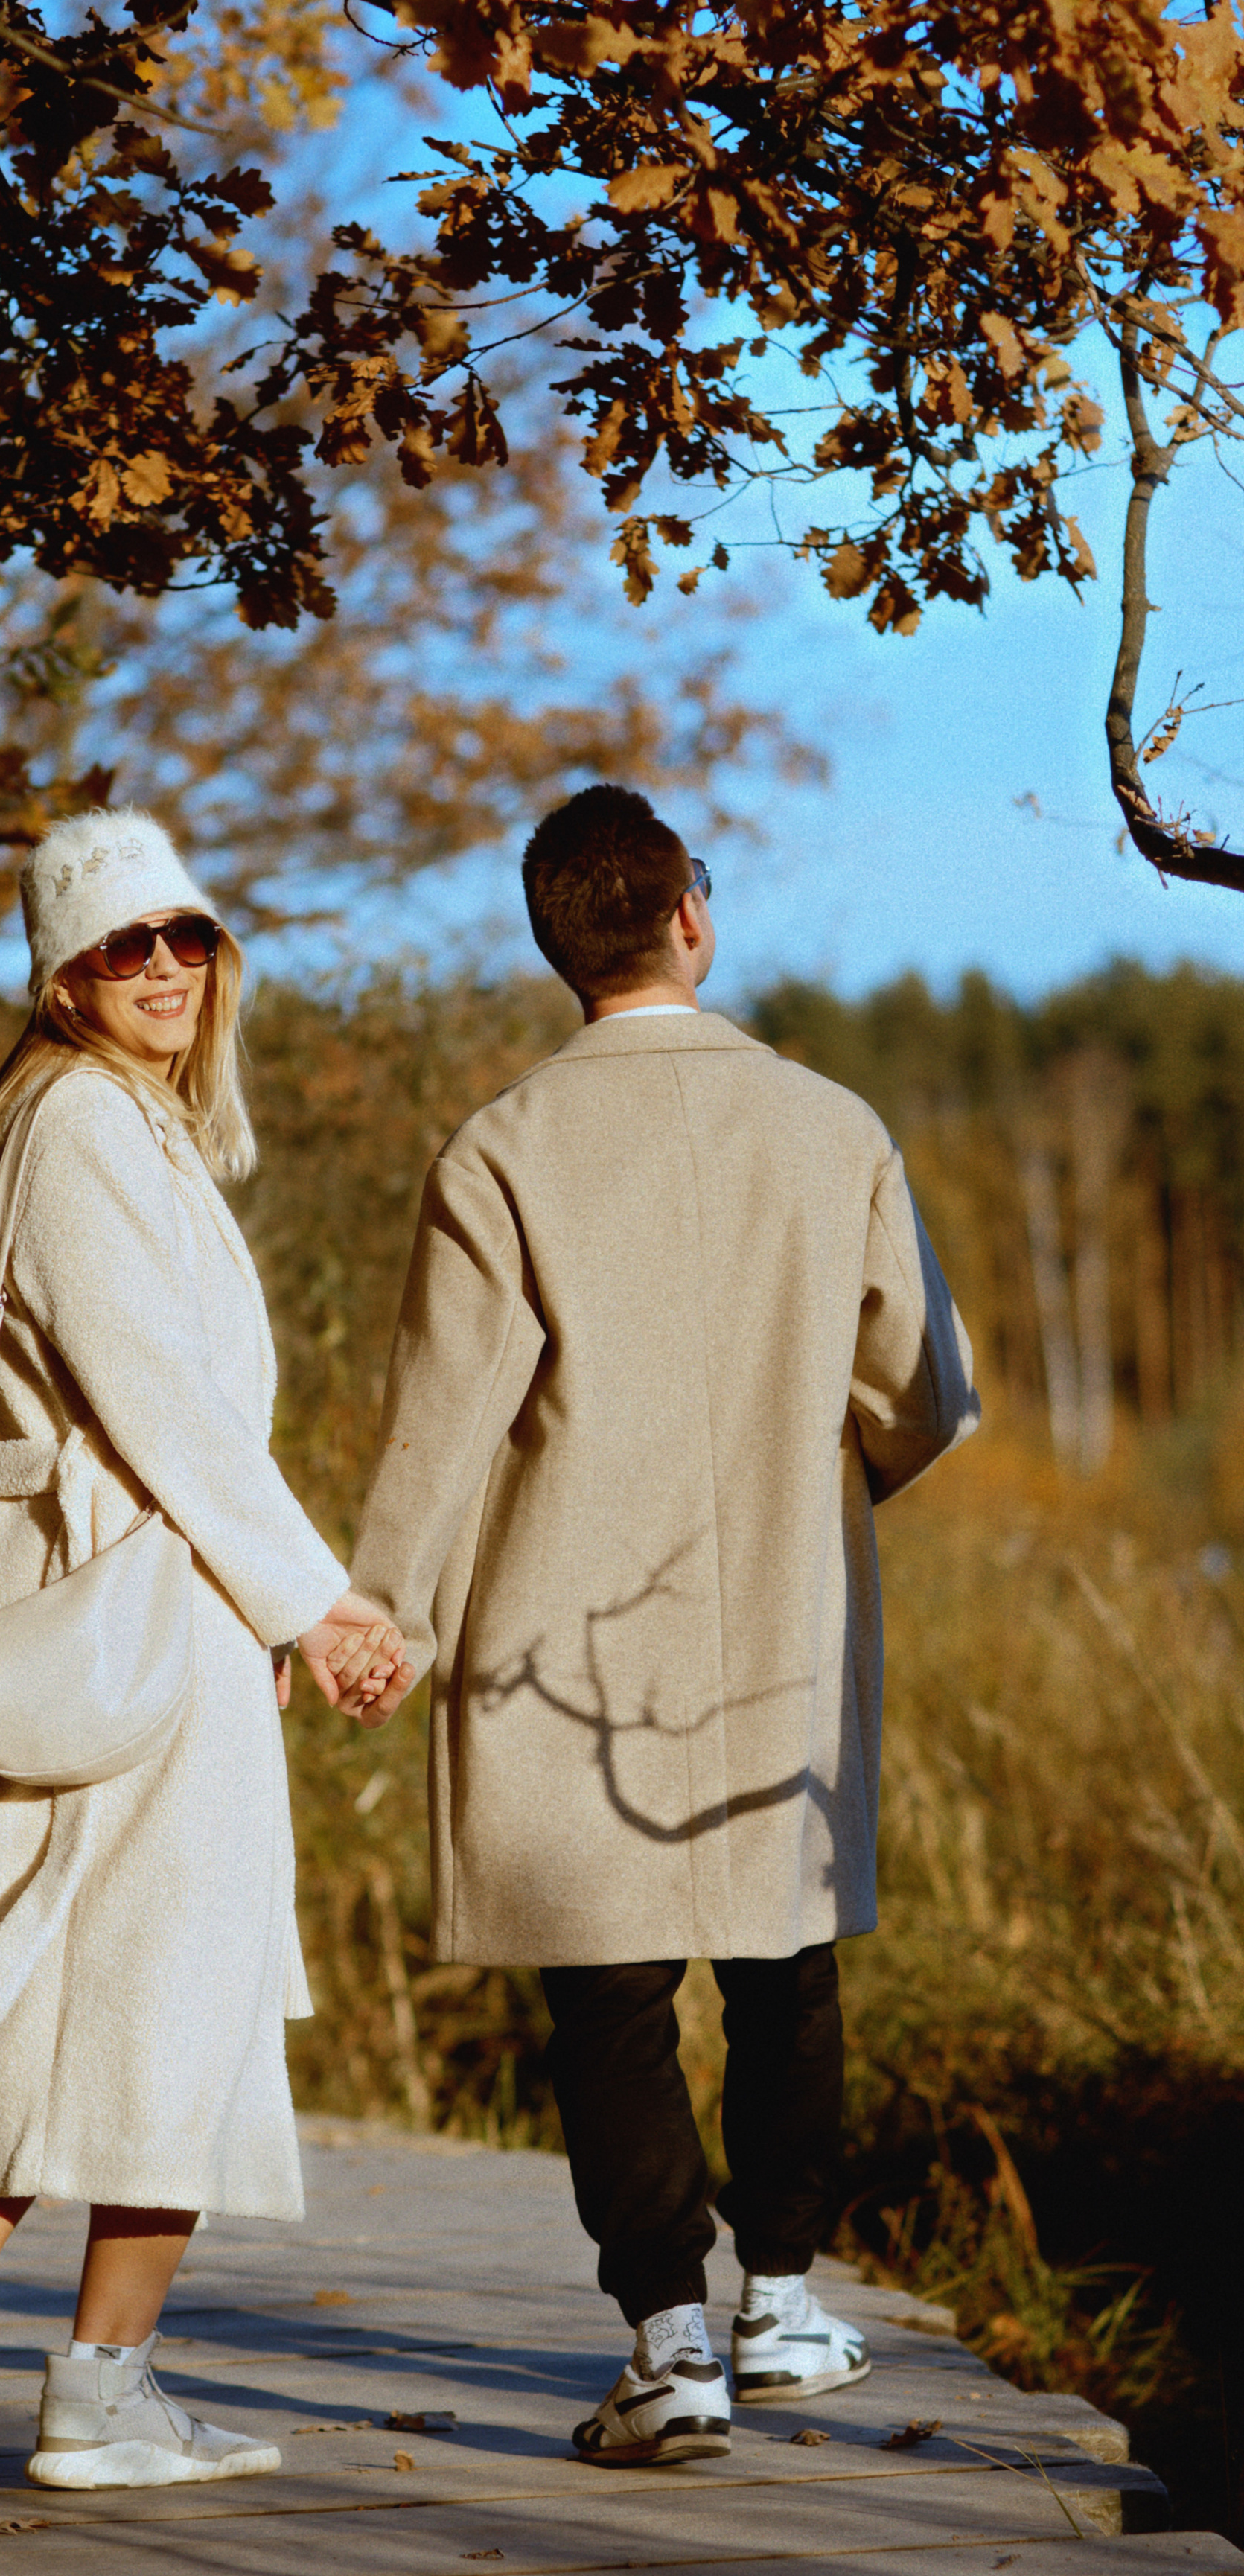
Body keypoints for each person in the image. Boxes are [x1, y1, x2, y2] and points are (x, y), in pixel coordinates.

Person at [345, 784, 979, 2465]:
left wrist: (378, 1612)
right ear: (690, 915)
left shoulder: (498, 1148)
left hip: (568, 1623)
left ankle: (668, 2343)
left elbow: (442, 1420)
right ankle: (783, 2303)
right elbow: (916, 1394)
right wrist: (823, 1490)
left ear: (557, 945)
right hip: (782, 1599)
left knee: (607, 1995)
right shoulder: (832, 1129)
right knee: (788, 1966)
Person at [0, 806, 409, 2493]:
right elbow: (166, 1409)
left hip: (99, 1609)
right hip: (138, 1609)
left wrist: (266, 1595)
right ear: (60, 976)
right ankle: (98, 2387)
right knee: (186, 1997)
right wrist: (307, 1600)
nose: (160, 968)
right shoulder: (78, 1129)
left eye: (184, 937)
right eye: (117, 946)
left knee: (71, 1982)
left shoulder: (101, 1129)